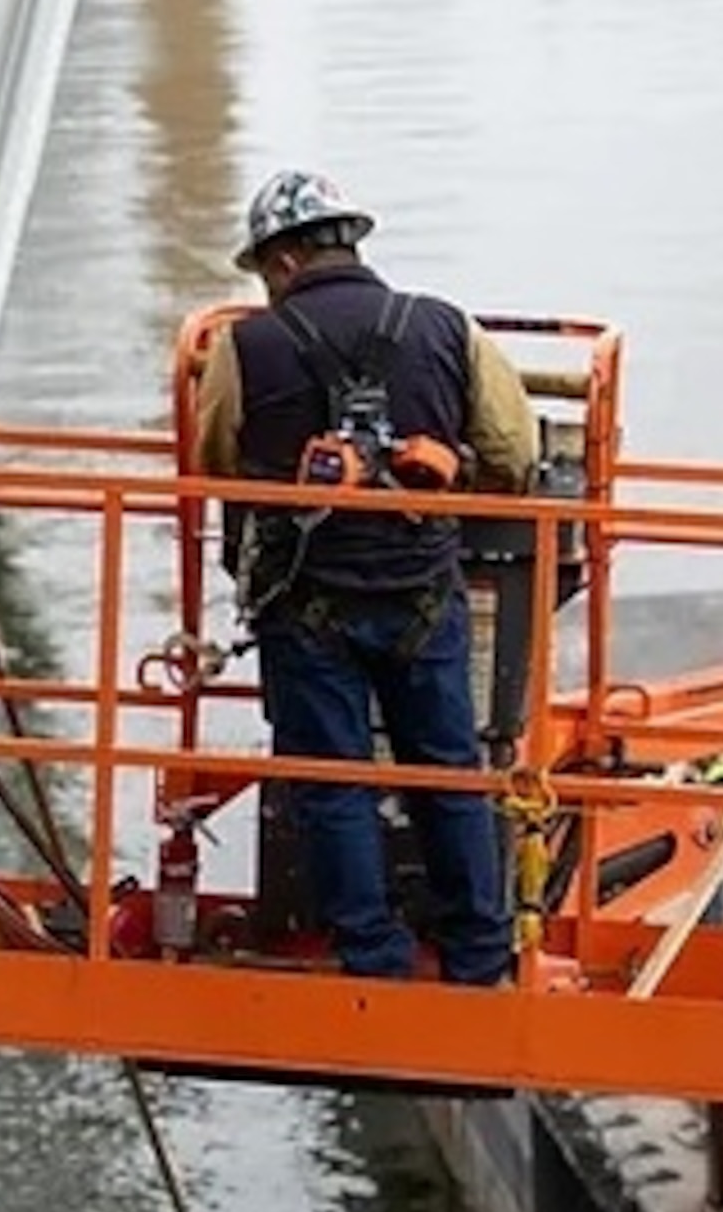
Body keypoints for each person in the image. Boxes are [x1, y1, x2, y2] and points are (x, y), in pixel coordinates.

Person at [193, 168, 538, 986]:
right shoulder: (449, 328)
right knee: (448, 771)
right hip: (424, 592)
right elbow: (514, 454)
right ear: (351, 241)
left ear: (280, 262)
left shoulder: (244, 347)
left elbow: (214, 465)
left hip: (305, 605)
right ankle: (480, 955)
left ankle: (374, 958)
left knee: (332, 780)